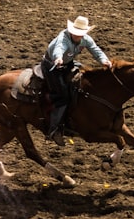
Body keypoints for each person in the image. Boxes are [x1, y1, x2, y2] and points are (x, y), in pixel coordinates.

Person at [40, 16, 112, 145]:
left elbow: (95, 50)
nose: (78, 36)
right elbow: (59, 48)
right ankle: (54, 129)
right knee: (62, 95)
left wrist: (104, 60)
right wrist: (58, 58)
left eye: (80, 34)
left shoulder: (85, 39)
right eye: (76, 34)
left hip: (67, 64)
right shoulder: (63, 38)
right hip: (52, 66)